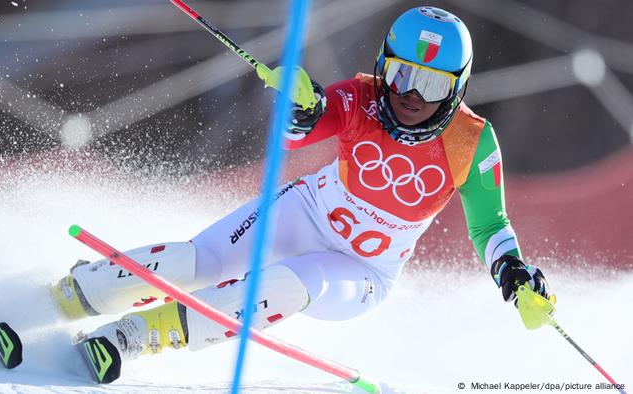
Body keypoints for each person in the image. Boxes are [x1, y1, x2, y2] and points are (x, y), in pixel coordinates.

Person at [51, 5, 551, 379]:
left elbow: (489, 223)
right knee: (198, 260)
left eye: (432, 85)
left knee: (287, 284)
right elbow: (303, 129)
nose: (412, 95)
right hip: (305, 211)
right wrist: (303, 108)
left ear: (458, 88)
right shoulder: (362, 97)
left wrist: (513, 270)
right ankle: (78, 292)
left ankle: (132, 337)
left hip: (362, 271)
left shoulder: (473, 142)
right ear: (384, 65)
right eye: (401, 74)